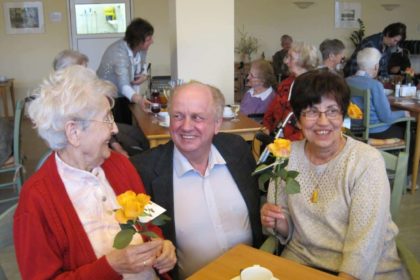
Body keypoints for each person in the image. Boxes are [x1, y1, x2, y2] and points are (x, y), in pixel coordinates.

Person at [14, 66, 176, 279]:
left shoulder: (120, 165)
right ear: (74, 132)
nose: (115, 129)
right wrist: (111, 266)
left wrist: (162, 245)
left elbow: (148, 217)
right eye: (107, 119)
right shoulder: (36, 200)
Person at [260, 70, 406, 279]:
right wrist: (277, 221)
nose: (322, 121)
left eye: (332, 111)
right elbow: (288, 231)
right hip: (302, 263)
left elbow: (365, 248)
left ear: (343, 116)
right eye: (311, 111)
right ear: (298, 120)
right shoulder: (287, 155)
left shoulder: (366, 162)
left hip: (366, 271)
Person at [131, 82, 263, 279]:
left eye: (197, 117)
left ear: (217, 123)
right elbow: (145, 233)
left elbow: (258, 206)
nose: (186, 126)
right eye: (177, 116)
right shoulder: (145, 171)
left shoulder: (237, 150)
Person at [53, 49, 150, 157]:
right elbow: (94, 130)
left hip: (104, 127)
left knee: (138, 134)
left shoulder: (82, 90)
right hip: (95, 137)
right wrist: (118, 148)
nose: (89, 72)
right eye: (84, 69)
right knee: (137, 147)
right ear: (70, 72)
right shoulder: (69, 101)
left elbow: (105, 120)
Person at [97, 17, 154, 125]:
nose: (152, 41)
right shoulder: (118, 53)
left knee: (130, 124)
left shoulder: (141, 49)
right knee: (119, 128)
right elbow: (123, 86)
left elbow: (142, 65)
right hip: (109, 96)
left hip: (124, 95)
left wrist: (144, 75)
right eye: (148, 39)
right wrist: (140, 100)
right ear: (138, 41)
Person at [346, 47, 409, 139]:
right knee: (410, 134)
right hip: (373, 131)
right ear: (376, 66)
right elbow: (387, 118)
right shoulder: (375, 85)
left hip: (354, 129)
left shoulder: (346, 81)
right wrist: (404, 113)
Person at [263, 42, 319, 140]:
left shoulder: (317, 87)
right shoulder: (286, 84)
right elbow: (271, 111)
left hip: (298, 142)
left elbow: (312, 125)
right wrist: (266, 128)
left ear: (303, 61)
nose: (285, 61)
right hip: (276, 137)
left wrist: (287, 143)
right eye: (287, 57)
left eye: (290, 57)